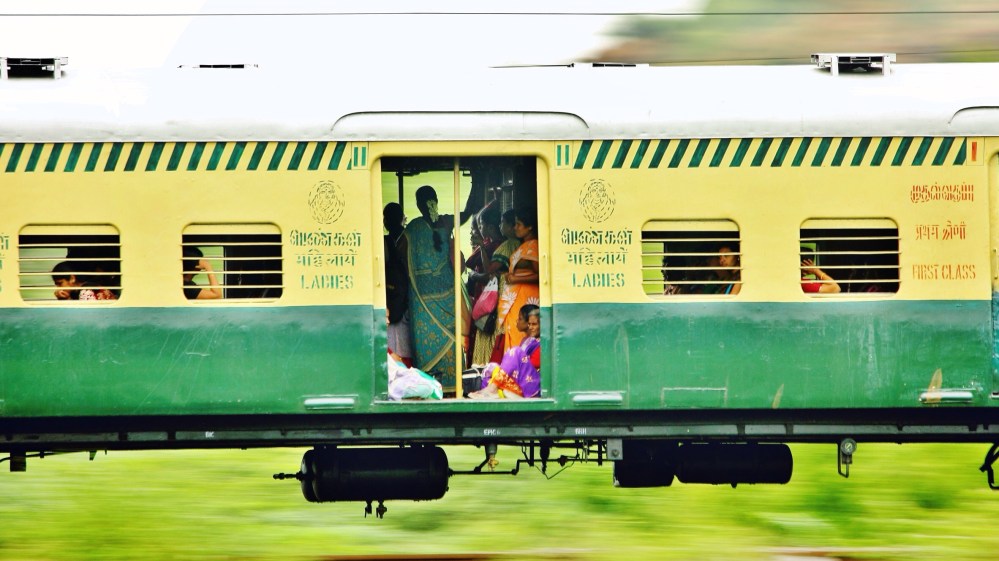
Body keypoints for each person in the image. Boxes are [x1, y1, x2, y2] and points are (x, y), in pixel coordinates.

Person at [398, 184, 484, 389]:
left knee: (428, 345)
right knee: (452, 340)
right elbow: (469, 209)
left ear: (419, 205)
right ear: (435, 200)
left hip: (422, 300)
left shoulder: (413, 229)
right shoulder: (446, 222)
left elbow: (400, 254)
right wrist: (475, 180)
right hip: (448, 295)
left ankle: (431, 386)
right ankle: (454, 385)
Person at [469, 304, 541, 399]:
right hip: (522, 380)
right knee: (488, 378)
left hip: (533, 385)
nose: (530, 327)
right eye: (529, 324)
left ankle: (493, 389)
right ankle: (493, 392)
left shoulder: (543, 344)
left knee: (516, 351)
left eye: (534, 324)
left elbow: (529, 365)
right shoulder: (527, 340)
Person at [496, 207, 540, 353]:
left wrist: (515, 278)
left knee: (520, 334)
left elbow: (540, 275)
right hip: (518, 297)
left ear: (530, 227)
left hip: (525, 298)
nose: (515, 228)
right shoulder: (524, 245)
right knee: (515, 332)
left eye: (518, 224)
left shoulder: (533, 245)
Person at [383, 203, 413, 367]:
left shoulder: (385, 242)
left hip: (392, 297)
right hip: (409, 297)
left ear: (385, 222)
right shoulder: (410, 238)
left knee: (395, 342)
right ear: (403, 219)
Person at [51, 261, 117, 301]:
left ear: (72, 278)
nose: (58, 288)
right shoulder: (83, 289)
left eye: (60, 283)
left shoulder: (86, 291)